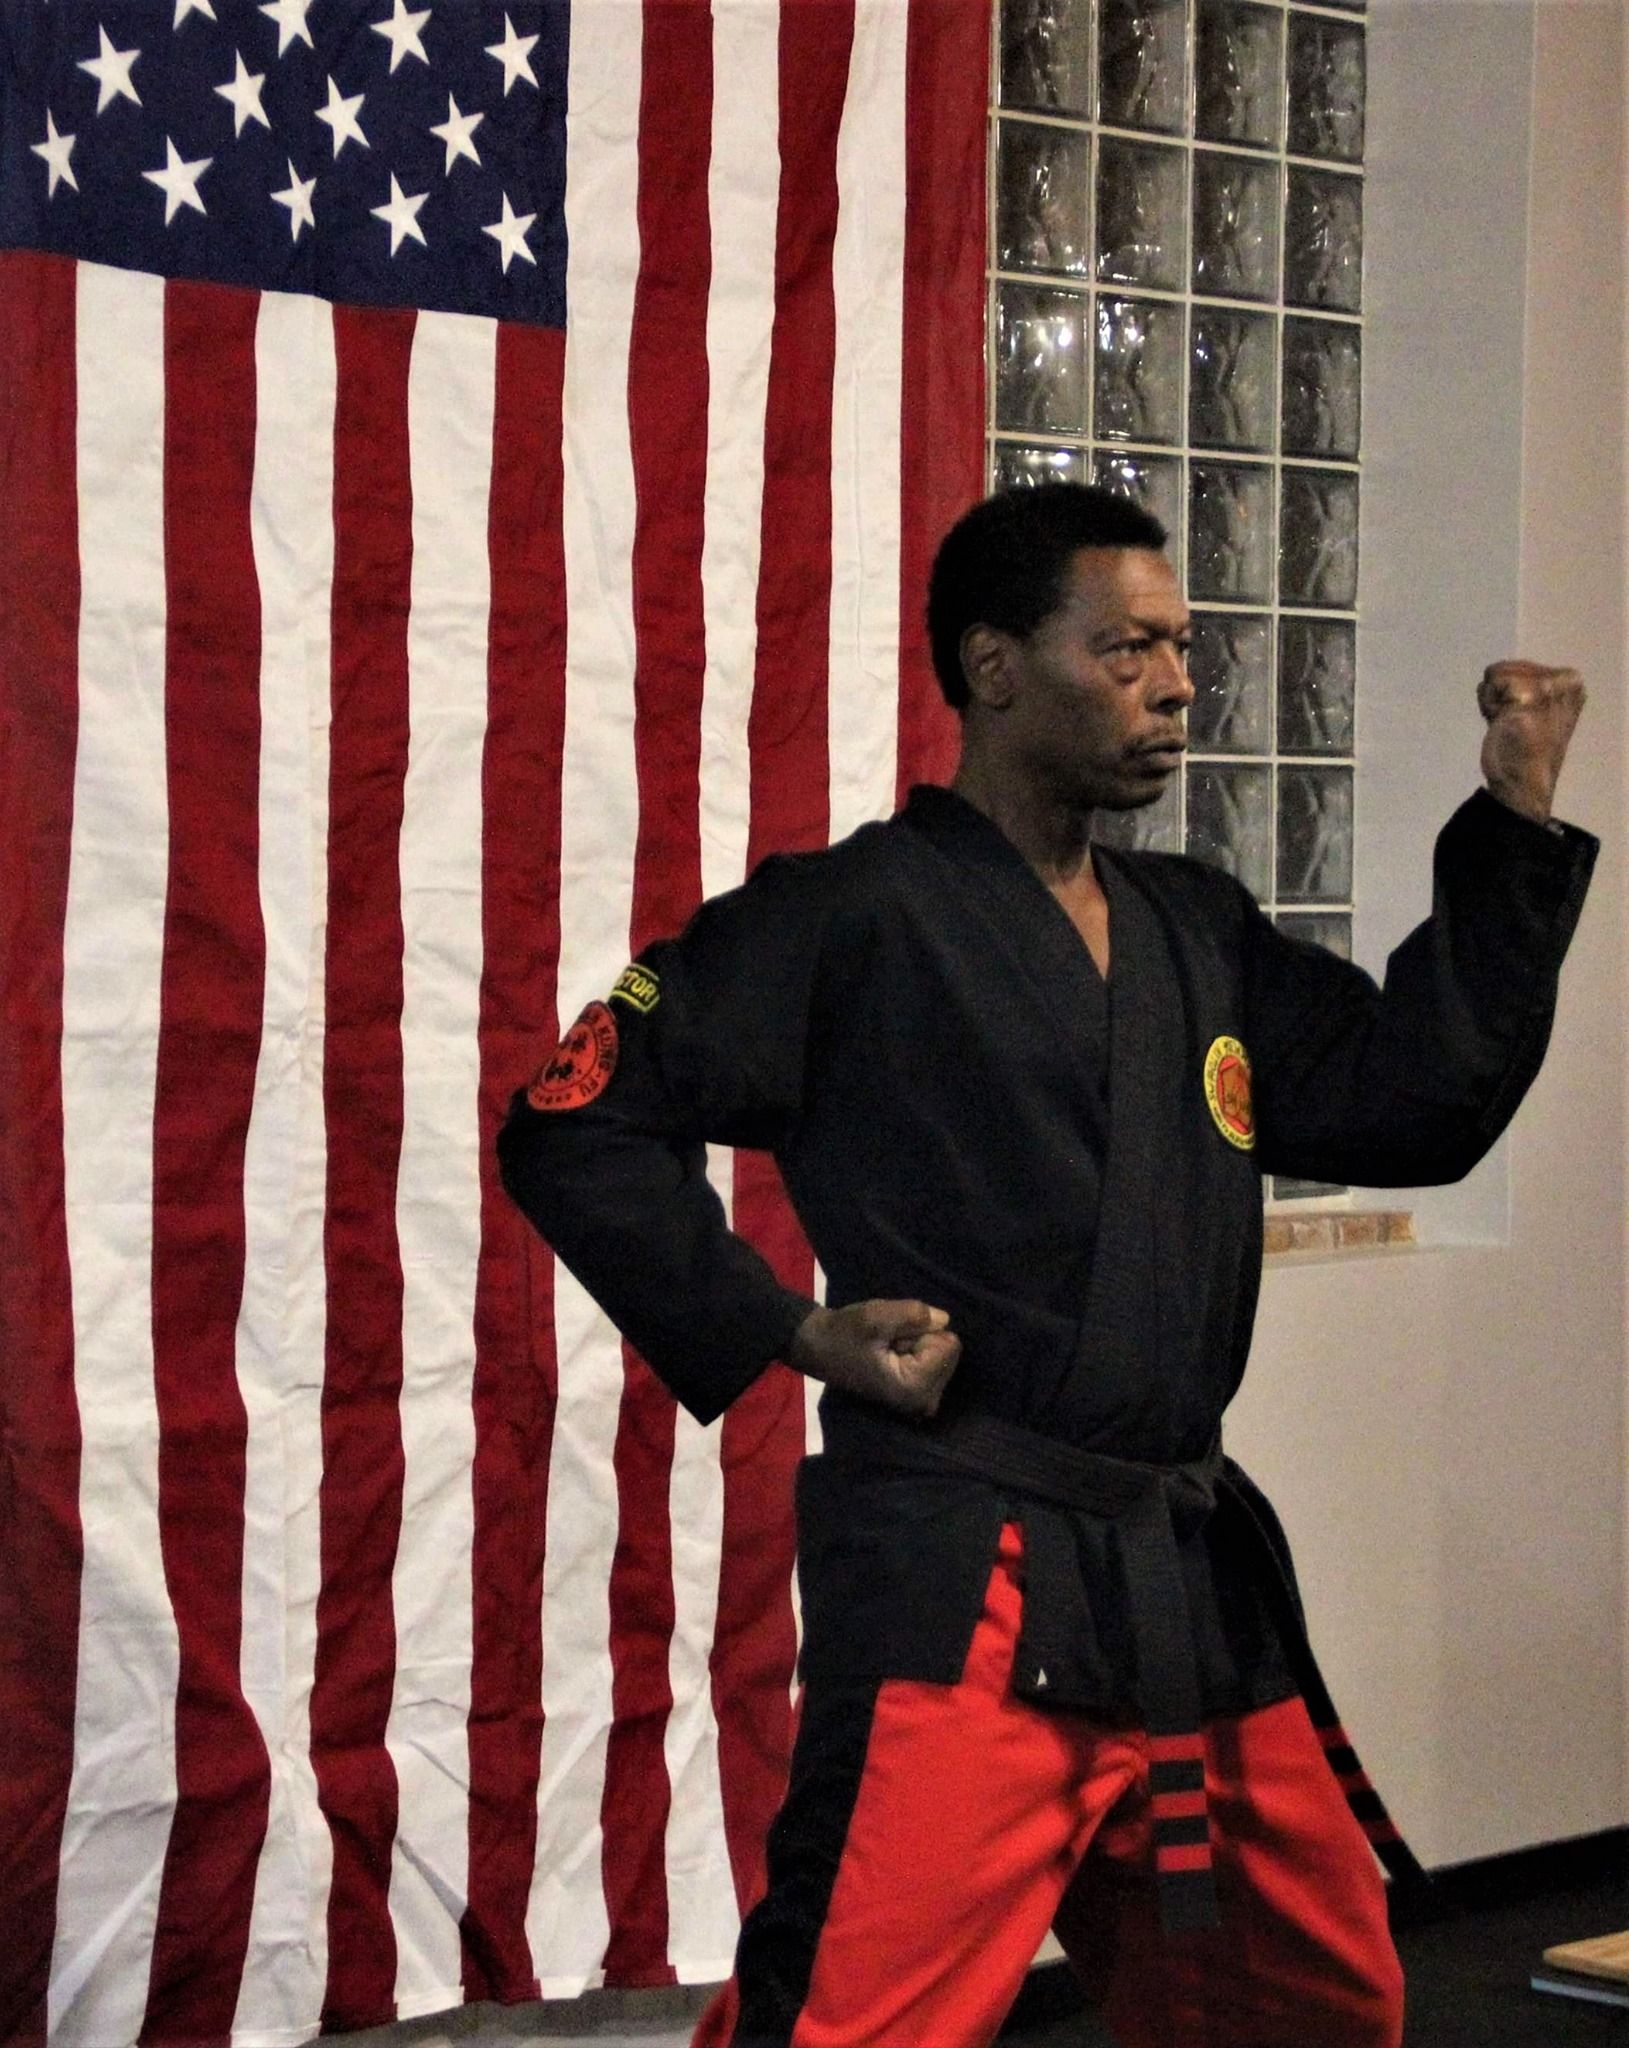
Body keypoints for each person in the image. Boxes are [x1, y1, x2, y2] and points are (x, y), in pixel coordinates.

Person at [499, 483, 1594, 2048]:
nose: (1173, 687)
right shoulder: (845, 916)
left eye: (1182, 651)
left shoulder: (1192, 927)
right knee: (859, 2015)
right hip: (971, 1570)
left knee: (1305, 2000)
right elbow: (574, 1120)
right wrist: (798, 1333)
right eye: (1128, 648)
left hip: (1182, 1571)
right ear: (995, 666)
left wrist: (1511, 829)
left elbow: (1409, 1105)